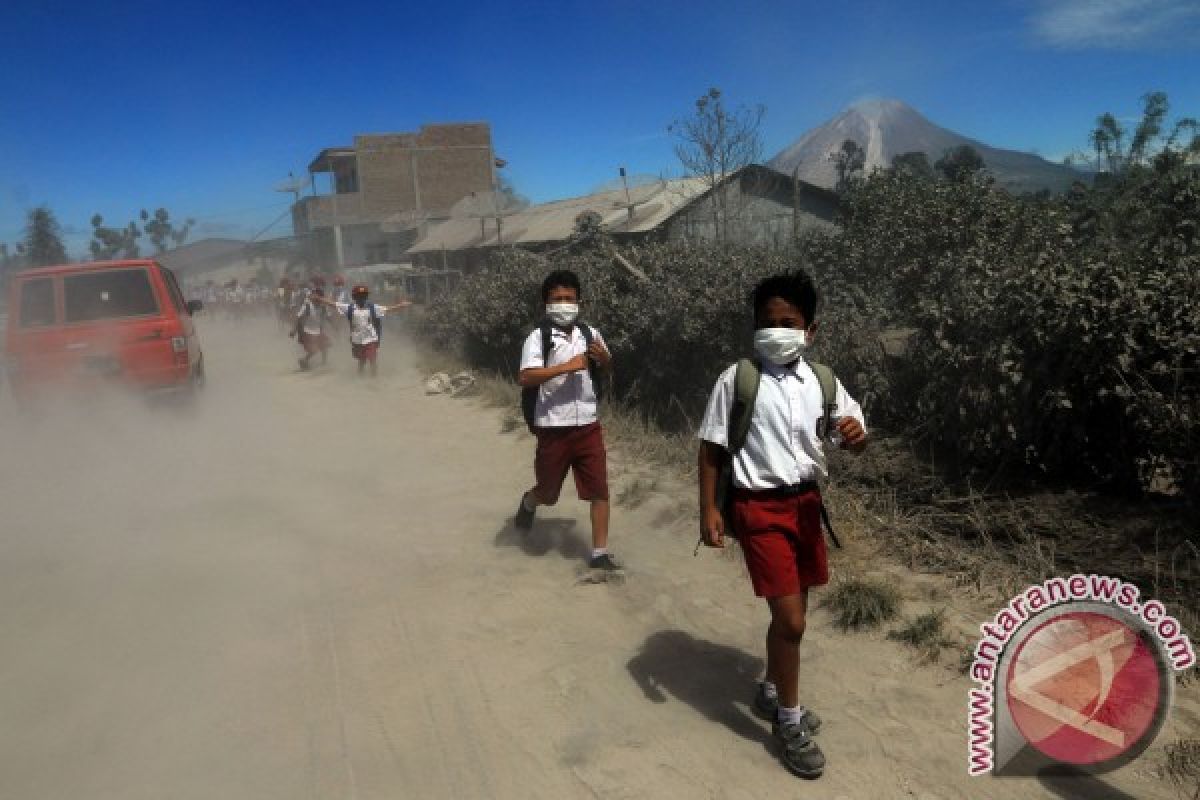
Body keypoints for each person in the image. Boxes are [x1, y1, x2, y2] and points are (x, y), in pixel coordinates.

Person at [696, 271, 868, 781]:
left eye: (788, 322)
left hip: (806, 507)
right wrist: (709, 509)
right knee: (792, 621)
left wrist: (855, 437)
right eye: (767, 322)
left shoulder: (823, 382)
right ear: (754, 328)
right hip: (758, 509)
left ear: (810, 330)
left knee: (795, 608)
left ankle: (771, 691)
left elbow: (848, 437)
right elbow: (711, 447)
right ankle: (789, 723)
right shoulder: (737, 379)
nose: (776, 331)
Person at [512, 270, 618, 572]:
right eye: (557, 299)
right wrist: (566, 367)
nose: (564, 304)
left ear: (579, 301)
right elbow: (525, 376)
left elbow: (608, 367)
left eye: (569, 298)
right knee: (549, 493)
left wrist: (606, 361)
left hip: (587, 424)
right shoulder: (538, 337)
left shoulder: (590, 334)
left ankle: (600, 554)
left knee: (599, 490)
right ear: (545, 303)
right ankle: (530, 502)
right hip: (552, 427)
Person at [312, 284, 410, 376]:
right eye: (359, 296)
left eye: (364, 296)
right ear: (354, 297)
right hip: (357, 340)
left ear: (366, 297)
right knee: (361, 361)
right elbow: (334, 304)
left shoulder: (372, 307)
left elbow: (388, 309)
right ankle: (360, 378)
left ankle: (373, 379)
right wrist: (319, 299)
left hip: (371, 338)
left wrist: (401, 305)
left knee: (372, 359)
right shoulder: (349, 308)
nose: (361, 298)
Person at [290, 286, 331, 370]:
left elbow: (328, 317)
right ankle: (304, 360)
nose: (317, 299)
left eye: (319, 297)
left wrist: (335, 326)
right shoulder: (308, 306)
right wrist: (294, 330)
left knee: (325, 345)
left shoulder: (323, 307)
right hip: (308, 332)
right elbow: (299, 317)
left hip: (318, 331)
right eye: (315, 296)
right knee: (314, 350)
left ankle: (324, 363)